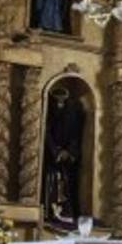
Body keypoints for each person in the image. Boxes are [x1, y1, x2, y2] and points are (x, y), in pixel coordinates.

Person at [42, 87, 84, 227]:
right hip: (50, 157)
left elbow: (75, 135)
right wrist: (55, 151)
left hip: (66, 158)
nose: (60, 101)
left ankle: (66, 213)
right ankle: (50, 212)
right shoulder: (48, 111)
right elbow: (45, 133)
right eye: (57, 98)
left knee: (66, 185)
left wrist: (69, 152)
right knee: (52, 184)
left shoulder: (72, 113)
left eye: (63, 98)